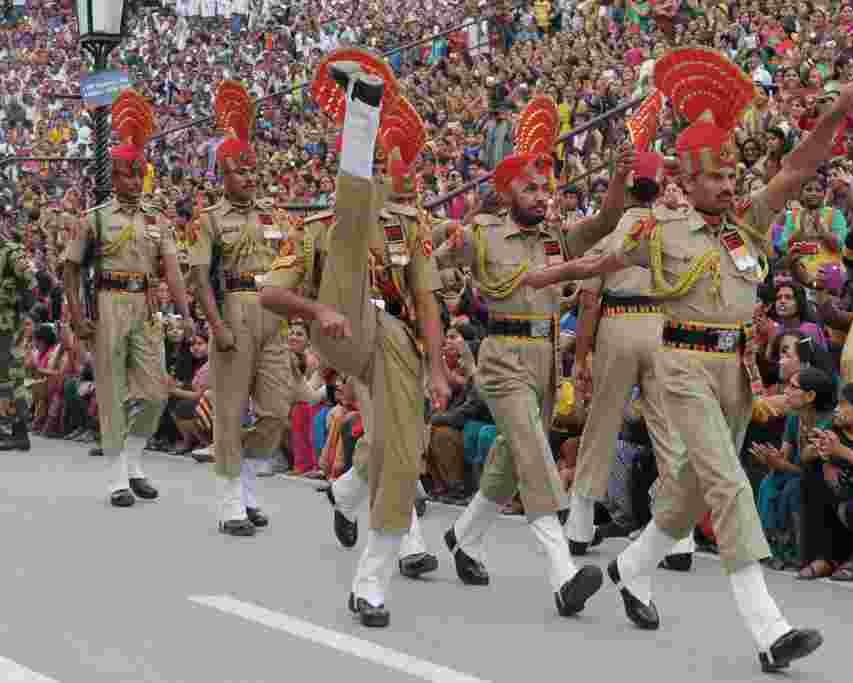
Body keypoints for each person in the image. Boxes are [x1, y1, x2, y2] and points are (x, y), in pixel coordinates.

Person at [520, 49, 853, 672]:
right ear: (687, 175)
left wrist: (835, 115)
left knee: (686, 494)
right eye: (717, 179)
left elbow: (797, 169)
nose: (730, 187)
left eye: (734, 177)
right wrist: (549, 273)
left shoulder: (747, 226)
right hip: (679, 364)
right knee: (728, 485)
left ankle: (631, 567)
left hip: (736, 371)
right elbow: (597, 262)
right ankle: (769, 630)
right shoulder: (658, 228)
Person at [260, 50, 451, 628]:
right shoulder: (320, 232)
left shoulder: (413, 229)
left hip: (395, 344)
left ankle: (370, 578)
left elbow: (425, 303)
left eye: (406, 166)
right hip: (341, 326)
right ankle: (361, 110)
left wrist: (438, 368)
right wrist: (317, 308)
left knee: (400, 456)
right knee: (348, 234)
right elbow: (270, 294)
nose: (408, 173)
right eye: (396, 162)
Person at [434, 95, 631, 618]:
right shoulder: (480, 232)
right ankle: (563, 572)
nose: (542, 196)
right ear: (506, 193)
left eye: (546, 187)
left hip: (546, 357)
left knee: (512, 452)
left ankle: (464, 536)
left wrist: (618, 176)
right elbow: (430, 257)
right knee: (531, 452)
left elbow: (609, 217)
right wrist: (448, 237)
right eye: (530, 188)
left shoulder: (556, 238)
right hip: (501, 356)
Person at [563, 114, 692, 563]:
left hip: (617, 321)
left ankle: (579, 523)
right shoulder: (675, 229)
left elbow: (589, 302)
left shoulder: (611, 231)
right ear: (659, 185)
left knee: (602, 423)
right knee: (668, 427)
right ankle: (679, 536)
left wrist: (581, 356)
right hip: (661, 326)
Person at [64, 90, 193, 508]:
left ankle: (134, 459)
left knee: (156, 392)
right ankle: (119, 476)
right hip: (107, 304)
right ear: (114, 176)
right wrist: (77, 316)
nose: (134, 182)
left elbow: (171, 268)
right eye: (126, 175)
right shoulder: (95, 218)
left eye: (139, 174)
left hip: (146, 307)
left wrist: (186, 312)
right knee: (113, 389)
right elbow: (71, 268)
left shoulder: (157, 219)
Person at [188, 81, 293, 536]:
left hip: (274, 312)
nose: (249, 177)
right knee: (230, 411)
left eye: (253, 170)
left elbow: (294, 262)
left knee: (275, 412)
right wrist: (216, 325)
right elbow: (197, 278)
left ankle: (245, 476)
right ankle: (232, 499)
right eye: (239, 171)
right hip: (233, 309)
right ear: (222, 176)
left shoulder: (274, 215)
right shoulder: (209, 219)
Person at [0, 216, 34, 451]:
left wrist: (18, 309)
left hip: (9, 326)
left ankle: (20, 432)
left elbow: (33, 285)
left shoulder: (11, 252)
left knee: (12, 379)